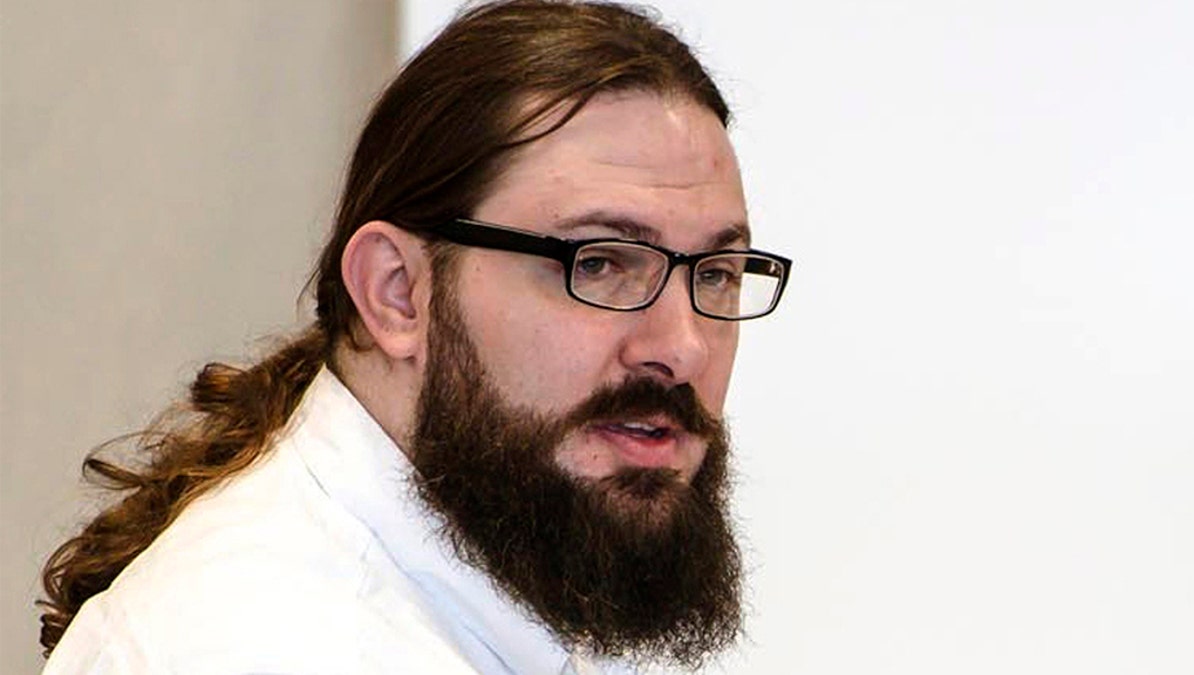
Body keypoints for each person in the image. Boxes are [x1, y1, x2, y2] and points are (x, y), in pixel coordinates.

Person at [37, 1, 791, 672]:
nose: (684, 345)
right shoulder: (266, 644)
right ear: (397, 292)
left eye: (718, 272)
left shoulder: (505, 565)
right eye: (599, 263)